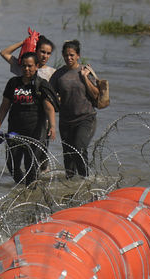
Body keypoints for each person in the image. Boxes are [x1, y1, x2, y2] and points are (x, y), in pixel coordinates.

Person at [0, 52, 57, 186]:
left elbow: (49, 108)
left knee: (31, 165)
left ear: (37, 66)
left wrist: (52, 126)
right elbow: (4, 107)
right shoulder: (13, 83)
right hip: (15, 130)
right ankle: (21, 191)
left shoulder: (41, 85)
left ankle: (31, 193)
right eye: (24, 66)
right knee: (12, 165)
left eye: (30, 66)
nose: (27, 69)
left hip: (36, 132)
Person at [49, 39, 99, 179]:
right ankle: (70, 185)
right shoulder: (59, 75)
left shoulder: (85, 71)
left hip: (86, 118)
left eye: (71, 55)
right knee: (68, 156)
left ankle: (86, 180)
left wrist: (85, 79)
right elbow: (49, 95)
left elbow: (96, 94)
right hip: (66, 121)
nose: (68, 58)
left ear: (78, 55)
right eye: (65, 55)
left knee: (79, 147)